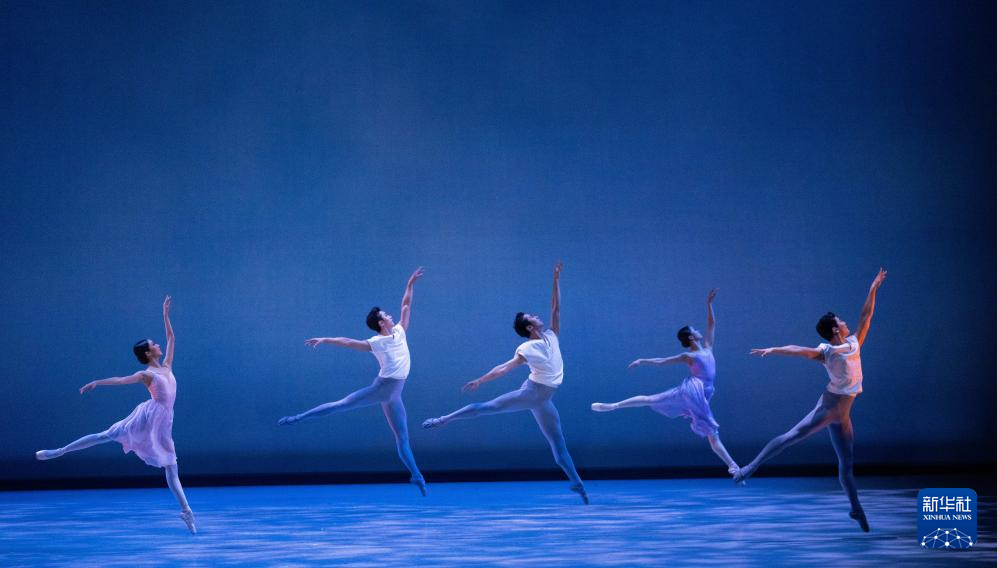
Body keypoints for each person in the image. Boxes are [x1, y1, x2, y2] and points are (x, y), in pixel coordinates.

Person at [736, 268, 888, 532]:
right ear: (835, 329)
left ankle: (855, 508)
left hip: (843, 414)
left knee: (847, 463)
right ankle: (749, 468)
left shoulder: (854, 342)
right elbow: (798, 350)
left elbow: (866, 315)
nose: (846, 323)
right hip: (830, 407)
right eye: (841, 321)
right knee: (792, 436)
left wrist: (873, 288)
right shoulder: (826, 351)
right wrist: (773, 349)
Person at [422, 262, 587, 503]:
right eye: (532, 317)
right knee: (486, 407)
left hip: (544, 400)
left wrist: (556, 279)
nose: (537, 316)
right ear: (529, 327)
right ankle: (443, 419)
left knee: (558, 443)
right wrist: (480, 380)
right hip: (532, 393)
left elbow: (556, 307)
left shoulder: (552, 335)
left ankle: (577, 483)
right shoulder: (527, 347)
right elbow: (505, 367)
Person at [35, 296, 196, 534]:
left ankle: (186, 512)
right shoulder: (147, 374)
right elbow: (121, 380)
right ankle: (59, 451)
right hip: (147, 417)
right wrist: (97, 382)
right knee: (106, 435)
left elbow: (171, 338)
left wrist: (165, 315)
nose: (159, 344)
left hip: (164, 422)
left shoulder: (167, 366)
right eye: (154, 344)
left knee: (171, 465)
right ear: (148, 352)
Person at [278, 268, 427, 496]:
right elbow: (347, 342)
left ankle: (416, 475)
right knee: (341, 405)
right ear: (381, 323)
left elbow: (406, 305)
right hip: (382, 389)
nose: (390, 316)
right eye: (386, 315)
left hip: (394, 395)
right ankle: (298, 417)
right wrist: (325, 339)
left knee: (402, 437)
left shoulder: (399, 331)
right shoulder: (376, 342)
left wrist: (410, 284)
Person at [591, 289, 741, 480]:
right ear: (691, 337)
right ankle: (733, 466)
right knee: (711, 431)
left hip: (702, 394)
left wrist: (709, 305)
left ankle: (733, 466)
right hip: (693, 391)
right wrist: (643, 360)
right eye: (695, 329)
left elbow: (712, 325)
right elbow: (663, 361)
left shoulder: (708, 348)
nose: (699, 330)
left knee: (653, 400)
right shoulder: (689, 356)